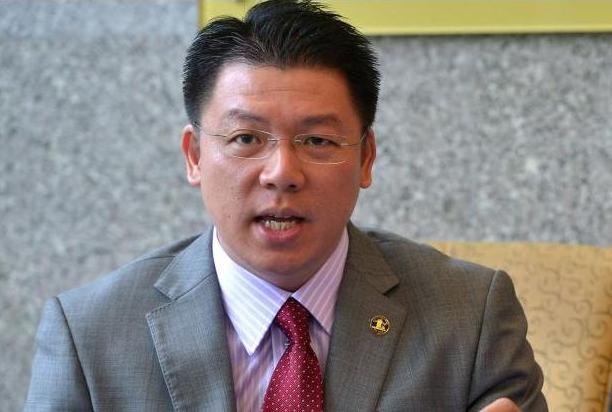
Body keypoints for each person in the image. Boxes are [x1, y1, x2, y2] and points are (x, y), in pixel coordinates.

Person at [24, 1, 547, 411]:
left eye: (317, 141)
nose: (282, 173)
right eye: (246, 138)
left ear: (365, 158)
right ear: (195, 156)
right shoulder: (89, 335)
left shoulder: (470, 317)